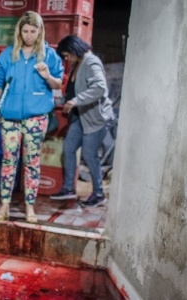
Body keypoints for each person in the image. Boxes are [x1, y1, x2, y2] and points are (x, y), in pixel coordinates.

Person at [0, 11, 64, 223]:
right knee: (8, 162)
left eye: (33, 31)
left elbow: (58, 84)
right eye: (25, 30)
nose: (29, 35)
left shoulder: (49, 55)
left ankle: (30, 208)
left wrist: (47, 75)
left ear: (40, 32)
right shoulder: (8, 55)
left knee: (32, 162)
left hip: (36, 118)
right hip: (9, 118)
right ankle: (4, 207)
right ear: (19, 31)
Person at [49, 35, 114, 207]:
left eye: (66, 55)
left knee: (89, 155)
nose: (66, 59)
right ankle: (69, 188)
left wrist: (76, 101)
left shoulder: (91, 63)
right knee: (69, 149)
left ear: (74, 50)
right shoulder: (77, 64)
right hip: (81, 117)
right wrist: (58, 101)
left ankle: (99, 194)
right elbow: (72, 93)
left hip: (96, 119)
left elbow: (99, 88)